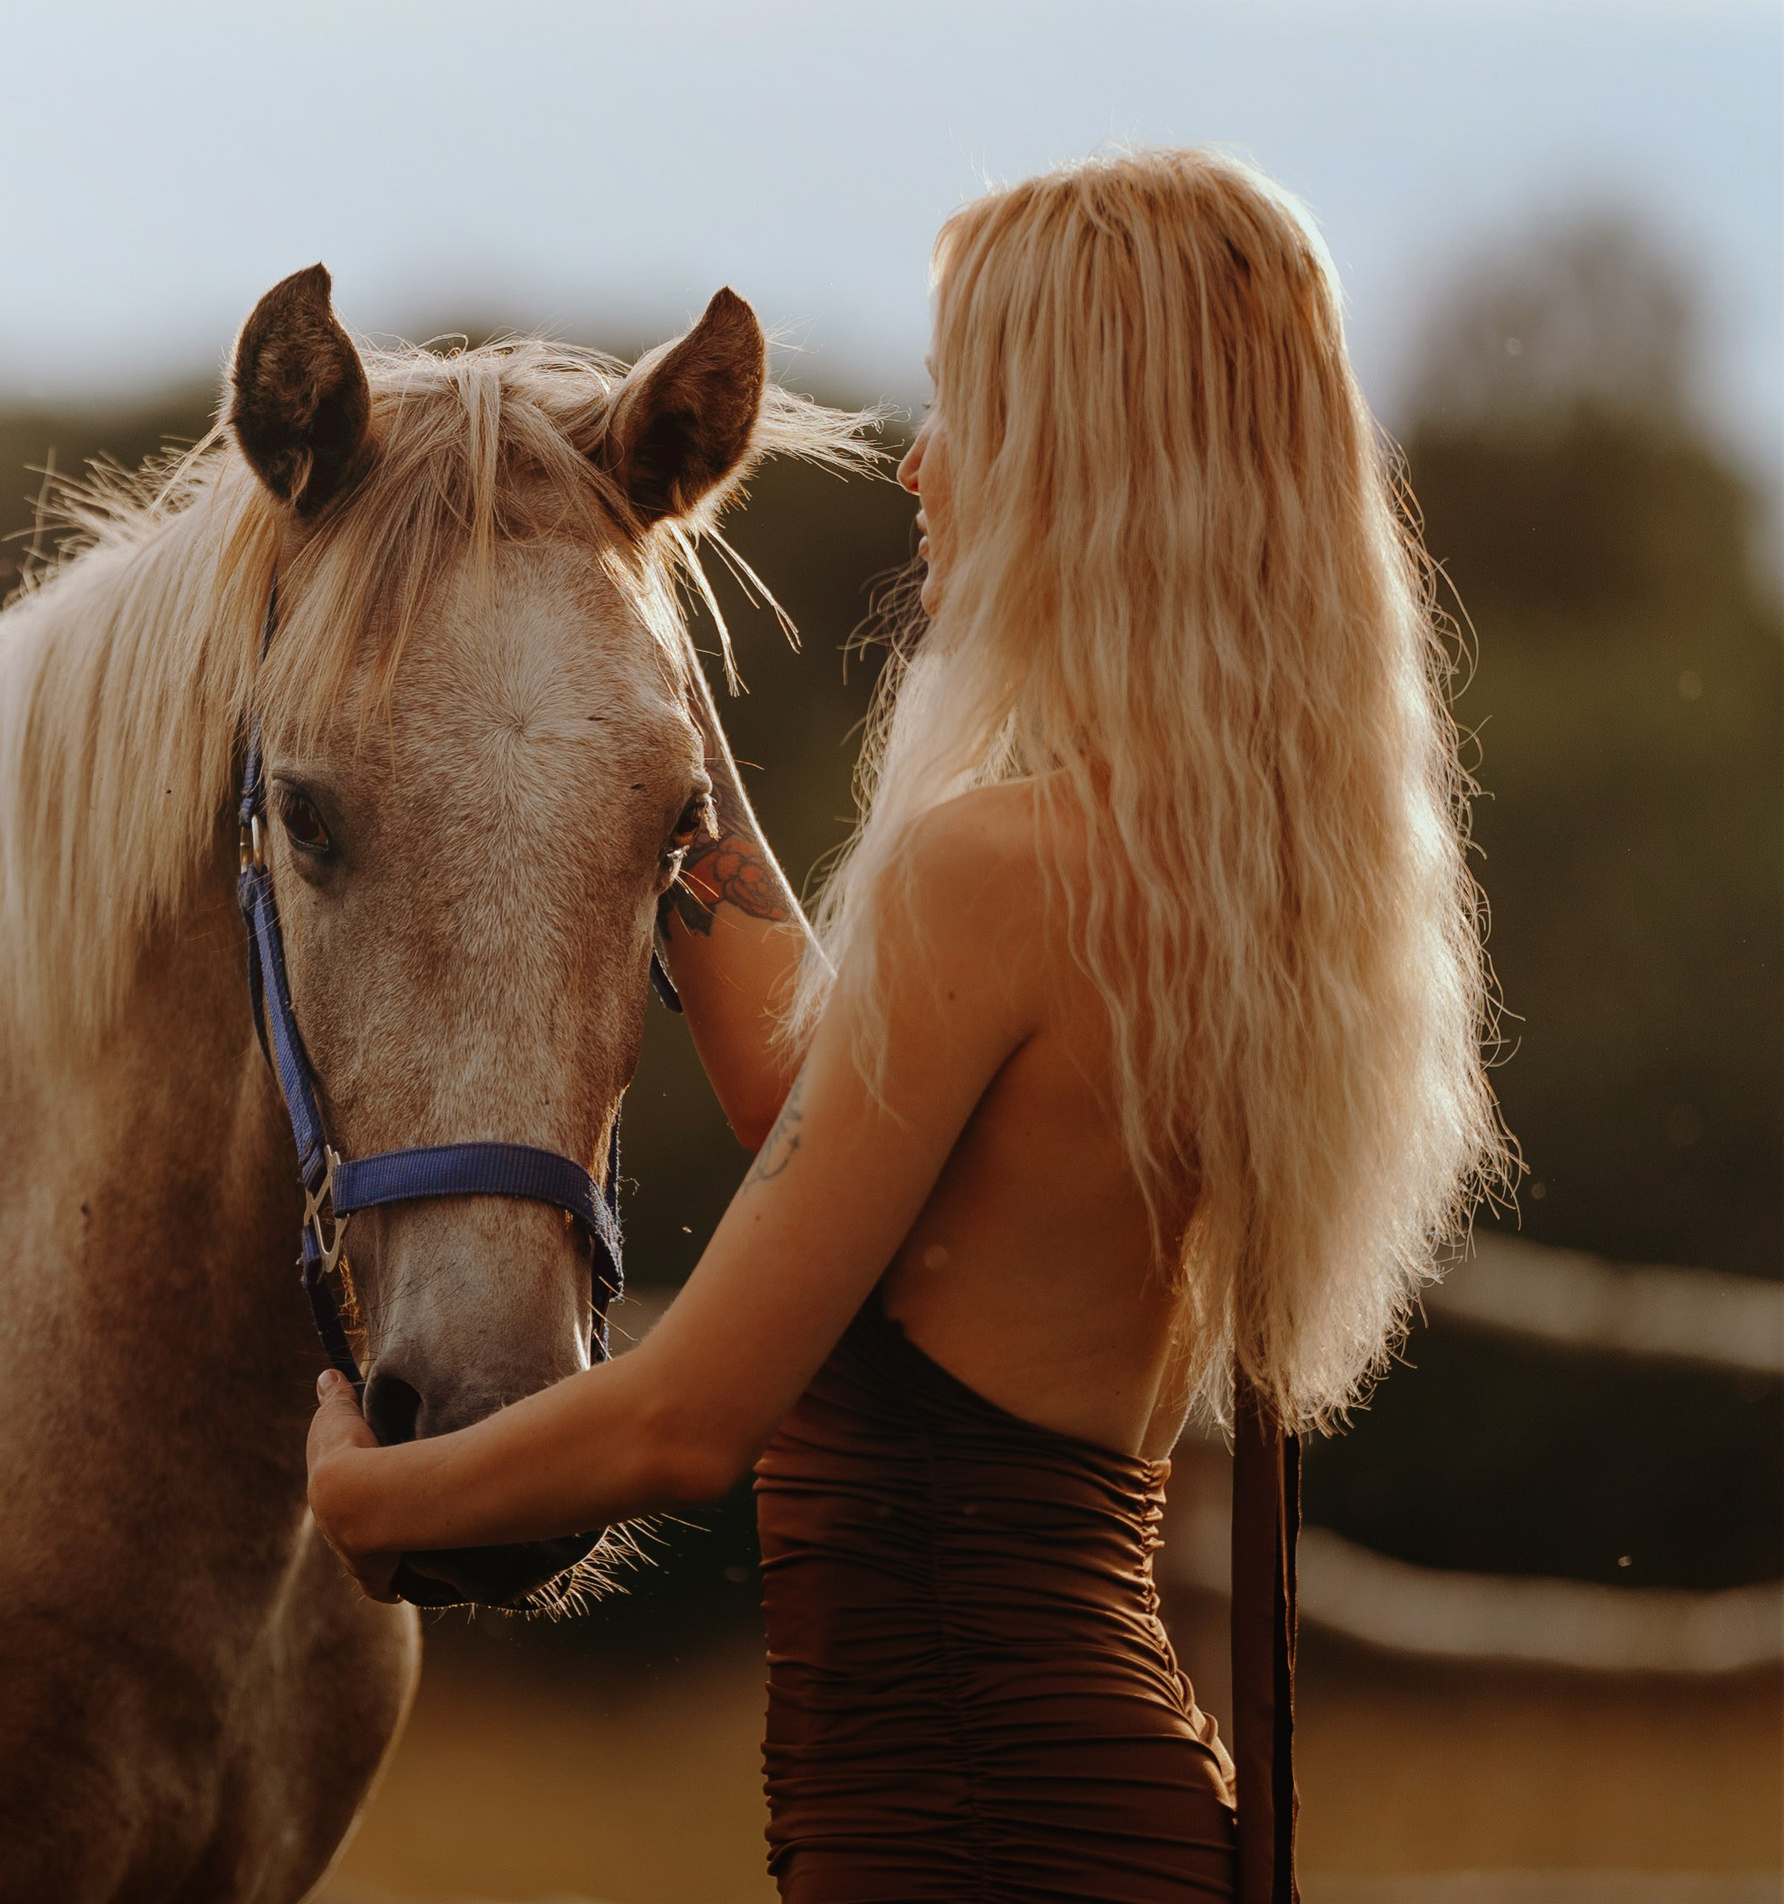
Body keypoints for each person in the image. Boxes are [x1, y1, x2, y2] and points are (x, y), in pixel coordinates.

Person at [305, 147, 1507, 1903]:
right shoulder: (1215, 890)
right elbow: (806, 1081)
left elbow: (682, 1426)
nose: (922, 465)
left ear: (1086, 462)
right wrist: (609, 649)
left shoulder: (992, 873)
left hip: (979, 1841)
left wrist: (367, 1501)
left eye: (966, 411)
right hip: (1108, 1818)